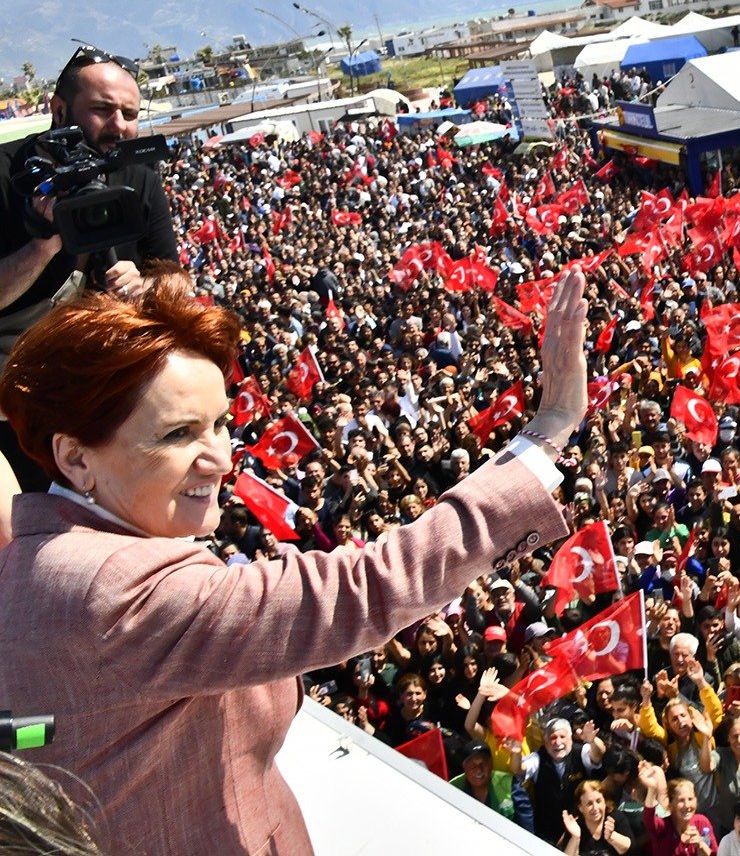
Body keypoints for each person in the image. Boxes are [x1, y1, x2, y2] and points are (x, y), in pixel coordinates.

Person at [0, 271, 589, 854]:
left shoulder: (53, 554)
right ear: (76, 458)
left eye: (220, 424)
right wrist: (551, 428)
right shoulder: (111, 590)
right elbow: (366, 588)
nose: (221, 459)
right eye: (178, 434)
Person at [0, 45, 180, 495]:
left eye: (129, 114)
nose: (119, 125)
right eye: (102, 110)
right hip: (12, 400)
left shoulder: (138, 176)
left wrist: (147, 285)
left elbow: (176, 279)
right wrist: (43, 245)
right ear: (59, 110)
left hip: (99, 391)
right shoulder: (5, 173)